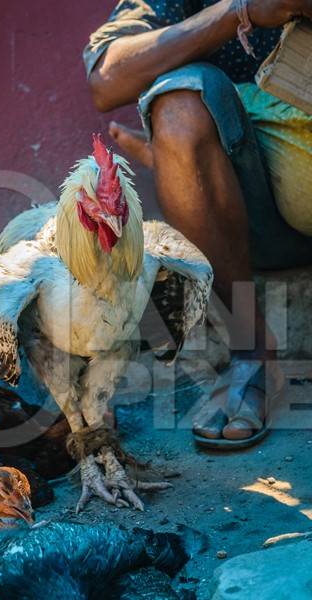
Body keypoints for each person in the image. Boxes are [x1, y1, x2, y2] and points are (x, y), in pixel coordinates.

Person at [83, 0, 312, 449]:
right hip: (259, 218)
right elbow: (106, 79)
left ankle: (158, 161)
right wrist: (239, 12)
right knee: (179, 103)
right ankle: (252, 354)